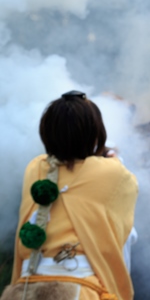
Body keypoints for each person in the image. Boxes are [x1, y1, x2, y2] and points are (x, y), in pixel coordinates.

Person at [1, 91, 138, 300]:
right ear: (94, 134)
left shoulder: (35, 168)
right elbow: (123, 196)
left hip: (25, 290)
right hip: (79, 291)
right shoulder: (113, 172)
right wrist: (112, 156)